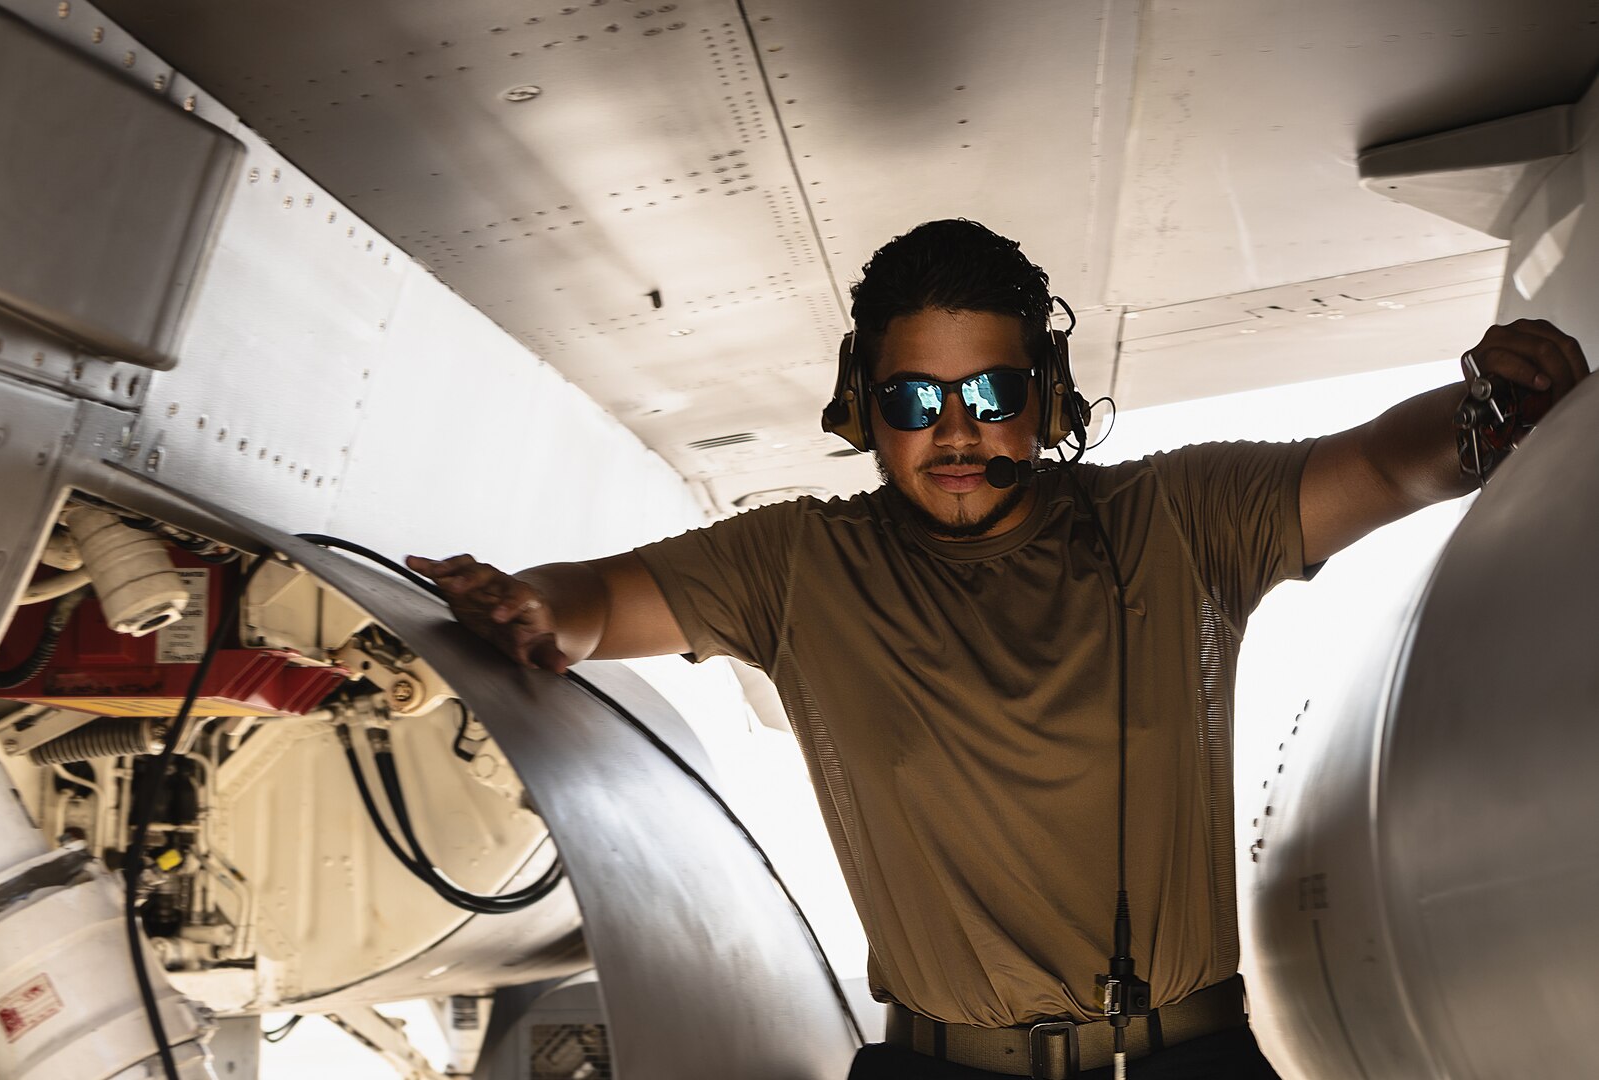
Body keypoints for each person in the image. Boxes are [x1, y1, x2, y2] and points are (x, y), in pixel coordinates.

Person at [407, 220, 1588, 1079]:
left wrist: (1490, 405)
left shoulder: (1179, 520)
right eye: (914, 402)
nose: (957, 432)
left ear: (1053, 399)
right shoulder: (797, 568)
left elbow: (1383, 464)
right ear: (861, 410)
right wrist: (535, 609)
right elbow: (604, 602)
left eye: (992, 391)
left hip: (1185, 1060)